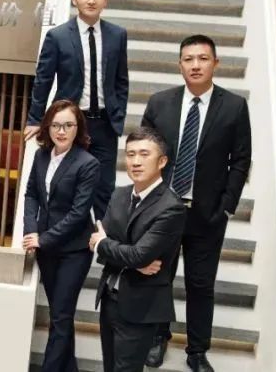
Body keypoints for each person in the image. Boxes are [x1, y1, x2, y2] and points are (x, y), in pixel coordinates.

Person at [140, 34, 252, 372]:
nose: (195, 65)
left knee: (201, 285)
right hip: (164, 212)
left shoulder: (234, 107)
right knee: (159, 277)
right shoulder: (160, 103)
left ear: (215, 63)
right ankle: (157, 337)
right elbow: (144, 153)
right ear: (180, 65)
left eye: (203, 58)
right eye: (188, 59)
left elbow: (240, 160)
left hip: (207, 214)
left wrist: (227, 206)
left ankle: (197, 351)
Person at [26, 0, 129, 220]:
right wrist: (35, 118)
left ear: (105, 0)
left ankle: (103, 240)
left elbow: (121, 79)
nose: (91, 0)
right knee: (66, 186)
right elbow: (43, 80)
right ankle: (64, 237)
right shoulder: (58, 36)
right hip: (70, 123)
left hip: (104, 123)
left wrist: (118, 113)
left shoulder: (117, 35)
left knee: (104, 189)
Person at [89, 128, 186, 372]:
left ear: (162, 161)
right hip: (109, 297)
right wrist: (129, 258)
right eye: (130, 154)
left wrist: (107, 245)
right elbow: (104, 243)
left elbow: (135, 254)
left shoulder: (171, 207)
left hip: (140, 306)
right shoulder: (119, 194)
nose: (135, 161)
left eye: (144, 154)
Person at [22, 101, 101, 372]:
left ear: (78, 128)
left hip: (74, 251)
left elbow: (79, 214)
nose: (61, 131)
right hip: (47, 249)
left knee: (61, 316)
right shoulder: (41, 156)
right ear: (47, 127)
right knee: (60, 315)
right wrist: (31, 230)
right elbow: (31, 195)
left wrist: (43, 239)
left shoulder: (88, 164)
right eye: (55, 125)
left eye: (68, 125)